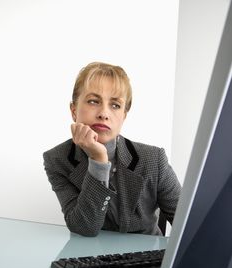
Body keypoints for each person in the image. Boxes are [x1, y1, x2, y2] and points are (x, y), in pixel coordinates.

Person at [43, 62, 181, 236]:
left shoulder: (154, 158)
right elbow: (85, 227)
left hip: (146, 259)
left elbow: (190, 224)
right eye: (93, 101)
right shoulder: (57, 159)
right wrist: (98, 159)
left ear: (124, 115)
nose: (104, 113)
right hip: (91, 258)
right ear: (73, 110)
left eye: (115, 105)